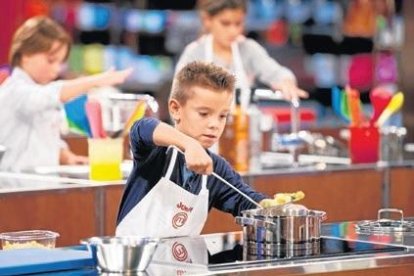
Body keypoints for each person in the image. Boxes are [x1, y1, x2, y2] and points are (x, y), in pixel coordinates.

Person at [116, 61, 280, 238]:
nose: (214, 124)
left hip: (181, 263)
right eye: (204, 114)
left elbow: (245, 200)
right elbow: (141, 128)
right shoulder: (156, 152)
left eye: (222, 116)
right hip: (135, 263)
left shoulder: (215, 168)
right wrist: (189, 144)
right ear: (176, 109)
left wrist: (279, 208)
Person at [0, 16, 132, 171]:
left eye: (60, 63)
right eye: (50, 60)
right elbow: (52, 94)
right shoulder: (14, 90)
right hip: (13, 188)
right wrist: (96, 80)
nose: (56, 69)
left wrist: (68, 157)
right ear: (26, 54)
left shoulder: (40, 90)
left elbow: (45, 137)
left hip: (41, 186)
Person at [175, 0, 308, 104]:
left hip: (243, 130)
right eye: (225, 23)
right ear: (207, 21)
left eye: (238, 24)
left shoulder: (248, 49)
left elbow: (276, 72)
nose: (233, 31)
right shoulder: (194, 52)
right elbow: (178, 98)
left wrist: (286, 82)